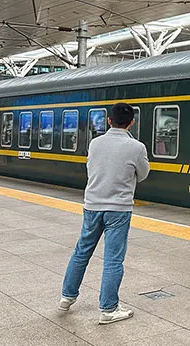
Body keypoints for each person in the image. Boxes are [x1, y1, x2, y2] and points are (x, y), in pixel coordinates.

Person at [58, 103, 149, 325]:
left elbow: (92, 169)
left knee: (81, 252)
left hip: (92, 205)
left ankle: (67, 297)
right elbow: (144, 174)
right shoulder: (136, 147)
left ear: (109, 120)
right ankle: (108, 309)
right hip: (118, 208)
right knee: (113, 259)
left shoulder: (95, 143)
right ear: (132, 122)